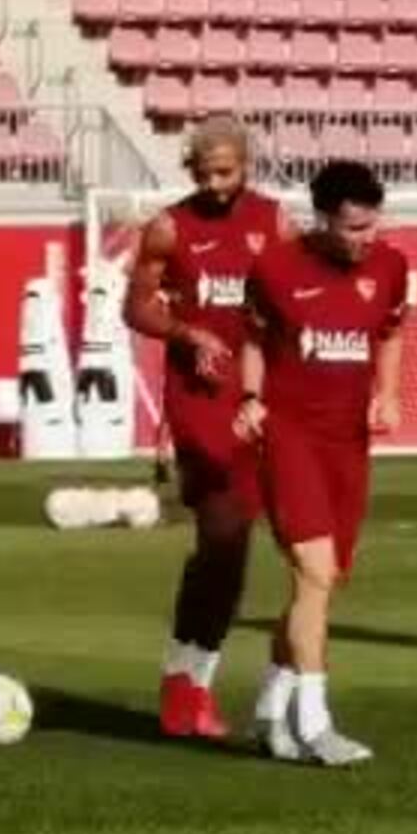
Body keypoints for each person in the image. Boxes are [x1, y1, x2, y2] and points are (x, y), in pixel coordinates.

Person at [122, 115, 293, 741]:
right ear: (191, 170)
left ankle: (194, 679)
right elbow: (135, 305)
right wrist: (184, 331)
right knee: (222, 531)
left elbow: (293, 300)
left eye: (230, 172)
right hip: (199, 401)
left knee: (235, 549)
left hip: (257, 399)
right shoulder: (170, 228)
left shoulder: (274, 223)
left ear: (246, 165)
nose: (219, 184)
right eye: (206, 173)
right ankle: (182, 678)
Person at [235, 160, 408, 766]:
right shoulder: (277, 269)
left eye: (371, 226)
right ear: (324, 219)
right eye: (353, 228)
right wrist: (252, 399)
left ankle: (266, 708)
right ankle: (315, 722)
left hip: (346, 444)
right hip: (290, 436)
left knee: (323, 580)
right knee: (314, 569)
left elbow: (390, 332)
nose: (365, 239)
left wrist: (388, 392)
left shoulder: (390, 267)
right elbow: (253, 339)